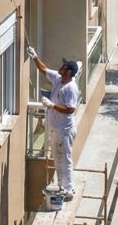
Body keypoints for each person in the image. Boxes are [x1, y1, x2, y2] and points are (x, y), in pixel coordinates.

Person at [26, 45, 80, 198]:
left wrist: (52, 105)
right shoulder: (58, 78)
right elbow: (44, 70)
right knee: (57, 157)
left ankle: (68, 190)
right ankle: (62, 187)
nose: (60, 67)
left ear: (69, 71)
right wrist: (34, 57)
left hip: (64, 130)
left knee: (65, 159)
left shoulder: (70, 88)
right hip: (56, 129)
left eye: (63, 67)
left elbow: (70, 109)